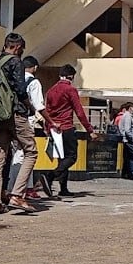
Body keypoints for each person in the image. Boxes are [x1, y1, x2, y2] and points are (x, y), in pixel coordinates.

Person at [0, 33, 39, 215]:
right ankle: (17, 194)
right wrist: (30, 108)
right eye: (21, 49)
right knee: (31, 150)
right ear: (17, 47)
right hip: (14, 113)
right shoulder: (16, 62)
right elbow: (20, 90)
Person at [7, 56, 60, 199]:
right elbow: (39, 106)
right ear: (35, 67)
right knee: (27, 155)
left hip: (10, 120)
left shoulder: (13, 79)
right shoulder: (34, 82)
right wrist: (50, 122)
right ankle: (24, 189)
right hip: (25, 120)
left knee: (16, 155)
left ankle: (13, 187)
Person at [42, 64, 99, 197]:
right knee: (71, 157)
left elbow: (46, 110)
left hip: (53, 128)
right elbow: (79, 112)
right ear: (72, 76)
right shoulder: (70, 90)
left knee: (62, 159)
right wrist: (89, 129)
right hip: (66, 127)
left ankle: (63, 188)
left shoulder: (51, 90)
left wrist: (47, 127)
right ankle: (50, 175)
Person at [119, 102, 133, 179]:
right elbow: (127, 130)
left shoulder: (127, 116)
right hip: (129, 141)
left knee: (130, 158)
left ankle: (131, 173)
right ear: (130, 108)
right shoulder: (128, 116)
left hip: (128, 140)